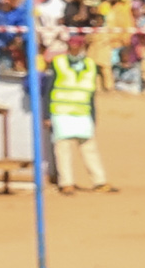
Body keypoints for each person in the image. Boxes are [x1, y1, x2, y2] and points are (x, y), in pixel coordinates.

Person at [43, 45, 112, 192]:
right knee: (63, 149)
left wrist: (93, 117)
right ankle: (66, 183)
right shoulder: (58, 63)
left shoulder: (90, 65)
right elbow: (48, 91)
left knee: (89, 149)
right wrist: (46, 115)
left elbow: (91, 94)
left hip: (83, 114)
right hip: (61, 113)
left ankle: (100, 182)